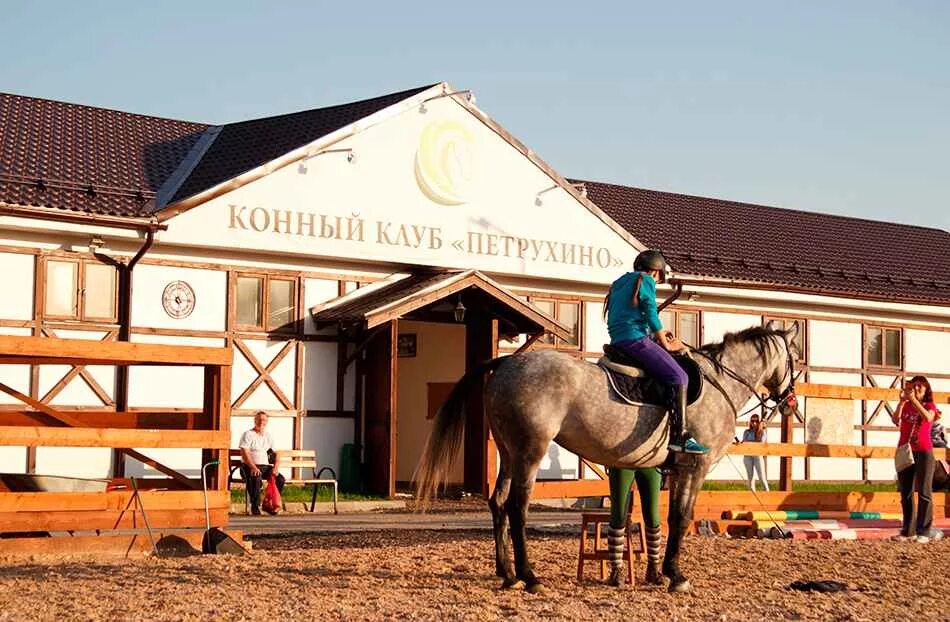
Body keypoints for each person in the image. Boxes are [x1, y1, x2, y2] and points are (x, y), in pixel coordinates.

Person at [605, 249, 707, 453]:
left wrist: (656, 335)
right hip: (635, 340)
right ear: (655, 271)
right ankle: (680, 436)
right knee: (679, 376)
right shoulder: (646, 280)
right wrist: (667, 344)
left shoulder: (619, 282)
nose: (658, 281)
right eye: (659, 277)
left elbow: (628, 317)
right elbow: (651, 313)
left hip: (618, 340)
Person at [891, 376, 942, 543]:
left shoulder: (930, 406)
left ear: (926, 390)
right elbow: (894, 419)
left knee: (924, 492)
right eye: (915, 386)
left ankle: (924, 531)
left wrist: (914, 400)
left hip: (924, 452)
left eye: (921, 386)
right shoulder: (906, 405)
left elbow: (928, 417)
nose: (918, 388)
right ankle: (908, 530)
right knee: (906, 492)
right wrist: (901, 402)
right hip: (906, 451)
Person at [238, 411, 285, 515]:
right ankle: (255, 506)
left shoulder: (268, 436)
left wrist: (276, 468)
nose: (261, 422)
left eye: (264, 420)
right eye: (259, 419)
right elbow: (244, 453)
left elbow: (275, 454)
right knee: (256, 476)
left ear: (267, 422)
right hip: (248, 466)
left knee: (280, 479)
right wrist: (253, 467)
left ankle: (270, 504)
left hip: (264, 467)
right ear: (255, 421)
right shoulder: (248, 434)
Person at [737, 413, 769, 492]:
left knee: (762, 478)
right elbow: (744, 442)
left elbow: (761, 443)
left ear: (759, 422)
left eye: (756, 421)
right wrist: (739, 443)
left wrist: (759, 430)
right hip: (747, 455)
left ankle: (767, 495)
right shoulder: (747, 432)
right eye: (752, 421)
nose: (754, 423)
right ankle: (752, 496)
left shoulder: (762, 432)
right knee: (750, 478)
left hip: (757, 455)